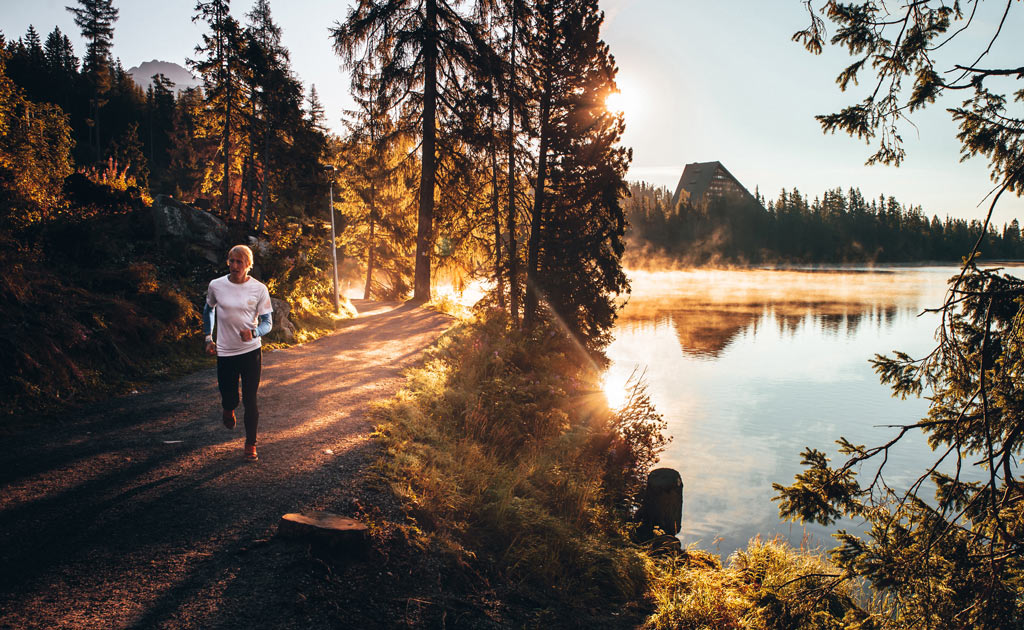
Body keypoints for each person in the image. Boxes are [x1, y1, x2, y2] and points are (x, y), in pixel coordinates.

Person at [203, 244, 273, 461]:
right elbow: (209, 309)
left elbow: (267, 323)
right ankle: (228, 408)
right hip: (225, 351)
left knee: (250, 399)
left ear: (248, 265)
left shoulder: (259, 289)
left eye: (239, 262)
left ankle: (251, 444)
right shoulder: (216, 285)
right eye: (231, 261)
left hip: (251, 351)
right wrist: (208, 337)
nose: (234, 265)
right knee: (230, 397)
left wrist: (253, 333)